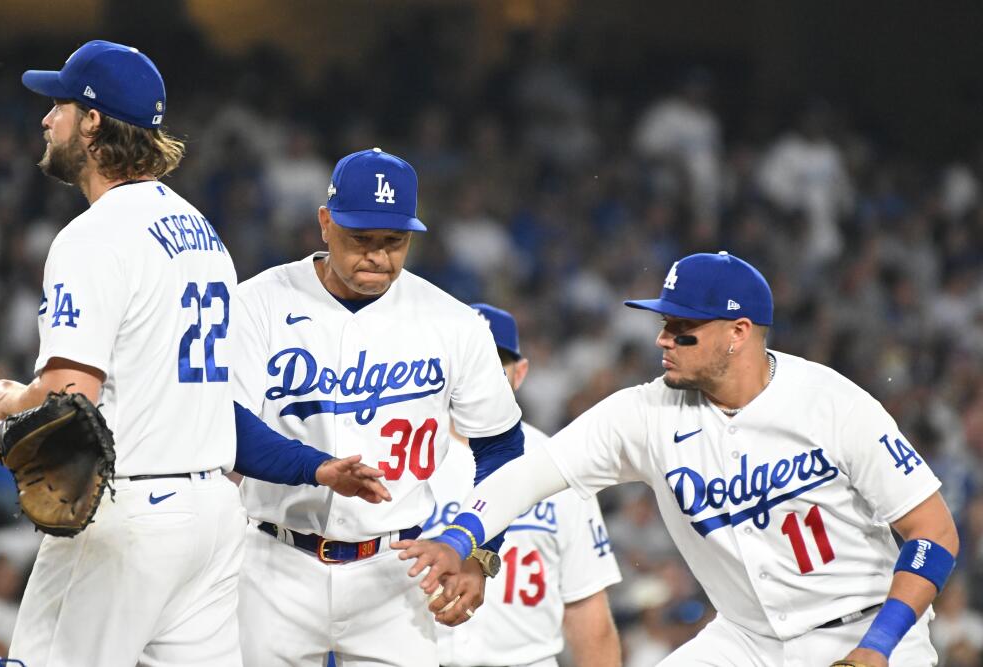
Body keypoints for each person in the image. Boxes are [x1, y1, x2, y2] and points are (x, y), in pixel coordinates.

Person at [0, 40, 387, 666]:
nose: (46, 118)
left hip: (126, 511)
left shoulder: (92, 236)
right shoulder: (204, 236)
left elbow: (69, 398)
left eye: (59, 104)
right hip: (209, 517)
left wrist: (14, 402)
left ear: (92, 121)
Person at [397, 251, 957, 667]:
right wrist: (460, 538)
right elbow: (526, 475)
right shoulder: (646, 412)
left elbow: (935, 533)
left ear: (739, 333)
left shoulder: (832, 403)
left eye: (682, 328)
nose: (663, 338)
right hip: (747, 640)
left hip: (869, 628)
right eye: (663, 323)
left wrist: (879, 648)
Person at [233, 148, 526, 666]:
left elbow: (502, 447)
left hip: (395, 570)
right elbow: (226, 426)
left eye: (394, 242)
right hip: (273, 564)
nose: (378, 256)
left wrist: (480, 551)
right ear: (325, 223)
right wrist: (317, 469)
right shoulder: (259, 303)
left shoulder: (452, 322)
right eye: (360, 240)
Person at [427, 303, 622, 667]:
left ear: (520, 372)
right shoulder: (407, 456)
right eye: (469, 361)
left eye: (495, 364)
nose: (480, 376)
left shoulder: (558, 462)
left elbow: (586, 607)